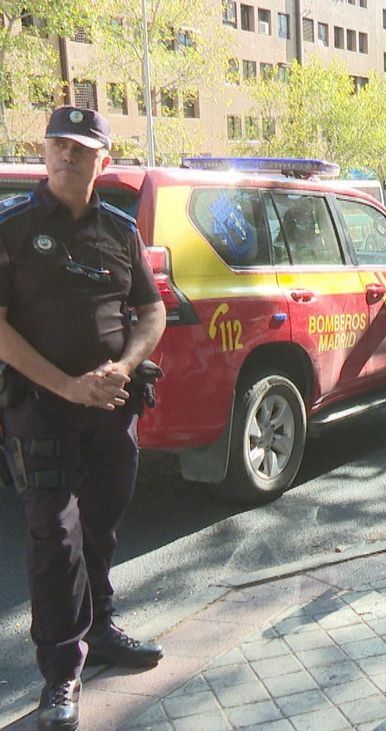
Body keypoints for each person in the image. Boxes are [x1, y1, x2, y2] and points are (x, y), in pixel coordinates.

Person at [0, 106, 167, 730]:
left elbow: (149, 312)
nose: (68, 156)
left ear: (105, 158)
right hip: (39, 411)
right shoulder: (12, 228)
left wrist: (121, 369)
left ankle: (101, 630)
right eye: (58, 145)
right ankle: (60, 675)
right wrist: (68, 385)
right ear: (43, 153)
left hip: (110, 409)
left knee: (100, 529)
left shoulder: (120, 231)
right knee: (54, 539)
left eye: (82, 148)